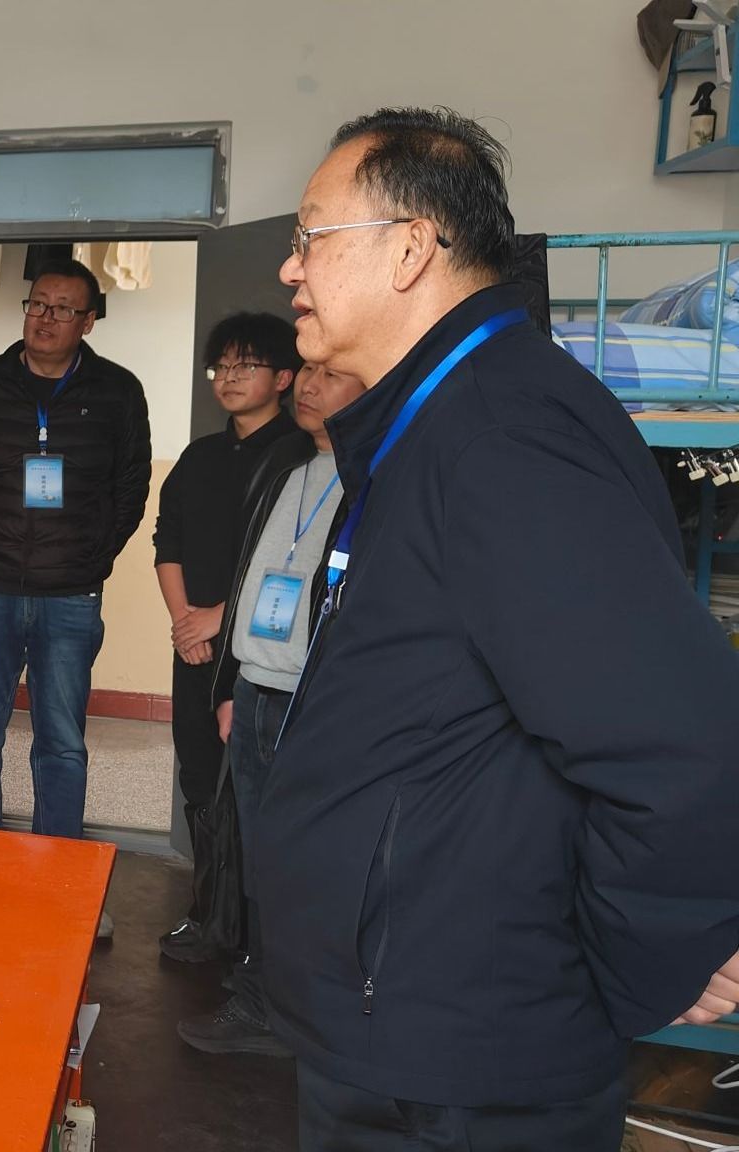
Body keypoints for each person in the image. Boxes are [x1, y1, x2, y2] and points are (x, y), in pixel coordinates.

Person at [259, 107, 739, 1148]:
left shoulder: (501, 435)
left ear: (409, 250)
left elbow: (673, 742)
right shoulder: (434, 422)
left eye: (310, 235)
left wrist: (641, 960)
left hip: (461, 1062)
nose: (289, 268)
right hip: (404, 1022)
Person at [171, 361, 365, 1056]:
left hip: (312, 701)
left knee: (302, 858)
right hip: (255, 688)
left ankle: (288, 1009)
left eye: (329, 375)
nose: (310, 385)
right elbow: (253, 577)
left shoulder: (372, 482)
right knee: (257, 850)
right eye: (306, 371)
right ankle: (262, 986)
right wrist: (230, 686)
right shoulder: (287, 469)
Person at [0, 258, 151, 851]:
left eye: (62, 309)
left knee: (62, 742)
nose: (45, 318)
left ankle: (60, 872)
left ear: (88, 321)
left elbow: (131, 486)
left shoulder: (117, 392)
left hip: (71, 595)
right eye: (37, 304)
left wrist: (94, 556)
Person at [155, 312, 300, 963]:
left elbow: (290, 565)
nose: (230, 377)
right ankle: (209, 913)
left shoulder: (299, 455)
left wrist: (221, 617)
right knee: (199, 778)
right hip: (196, 648)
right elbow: (168, 543)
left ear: (284, 377)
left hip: (259, 652)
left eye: (247, 365)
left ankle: (256, 935)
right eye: (223, 366)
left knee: (252, 788)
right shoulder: (199, 457)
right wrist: (186, 621)